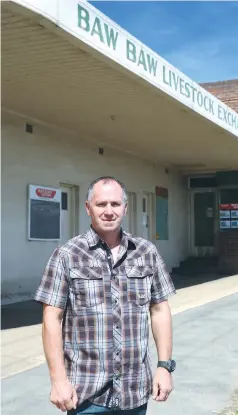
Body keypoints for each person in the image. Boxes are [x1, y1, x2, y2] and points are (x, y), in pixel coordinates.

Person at [34, 176, 176, 415]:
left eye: (115, 204)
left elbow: (160, 309)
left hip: (135, 391)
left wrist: (164, 367)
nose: (109, 211)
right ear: (88, 208)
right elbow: (52, 318)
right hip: (86, 393)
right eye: (101, 204)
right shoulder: (67, 255)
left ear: (125, 208)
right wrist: (58, 380)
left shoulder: (146, 252)